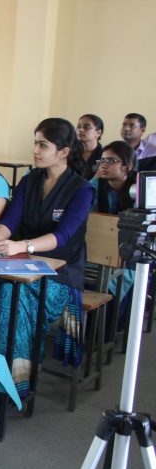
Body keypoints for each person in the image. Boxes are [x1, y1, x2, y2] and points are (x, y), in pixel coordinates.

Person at [0, 118, 93, 395]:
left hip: (61, 273)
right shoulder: (30, 180)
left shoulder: (81, 189)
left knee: (11, 297)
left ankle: (12, 383)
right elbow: (10, 220)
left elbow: (63, 235)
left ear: (63, 152)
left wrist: (22, 245)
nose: (35, 150)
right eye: (35, 143)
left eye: (43, 145)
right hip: (21, 263)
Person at [90, 140, 137, 329]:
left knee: (122, 277)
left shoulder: (138, 188)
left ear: (128, 166)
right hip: (100, 245)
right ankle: (89, 331)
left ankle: (110, 330)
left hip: (130, 249)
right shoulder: (96, 184)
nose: (103, 165)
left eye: (111, 161)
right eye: (102, 160)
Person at [76, 114, 104, 180]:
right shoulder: (70, 152)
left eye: (87, 127)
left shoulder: (103, 155)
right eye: (79, 127)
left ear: (98, 133)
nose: (81, 129)